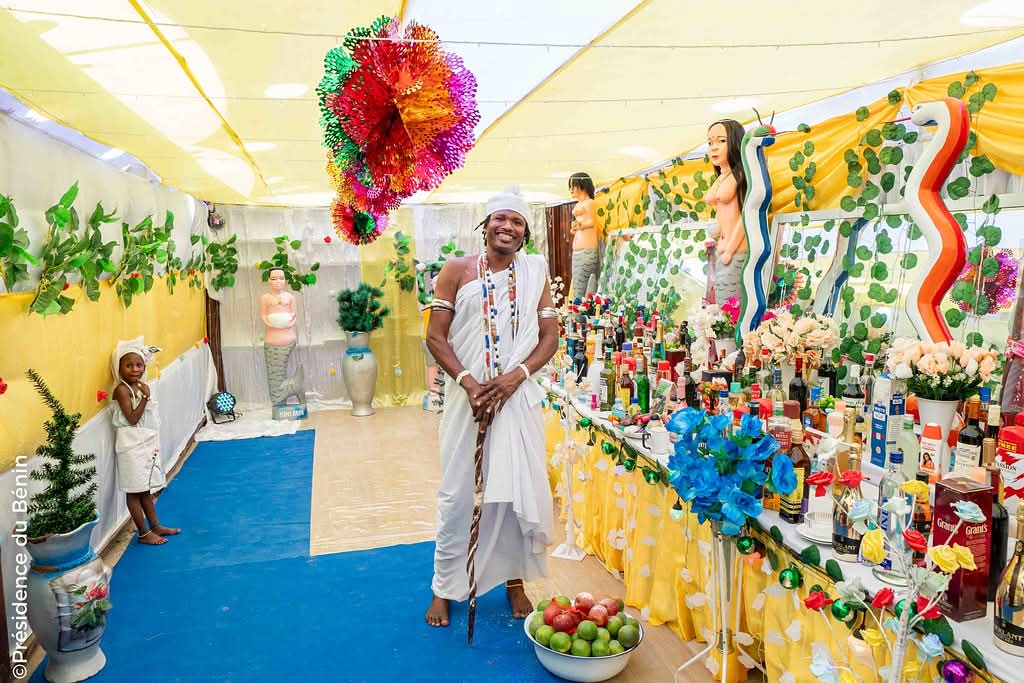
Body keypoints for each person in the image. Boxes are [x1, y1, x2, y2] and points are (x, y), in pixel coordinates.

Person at [424, 188, 559, 628]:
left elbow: (549, 339)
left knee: (514, 487)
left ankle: (514, 582)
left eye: (517, 222)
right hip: (469, 402)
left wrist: (515, 377)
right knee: (457, 492)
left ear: (524, 234)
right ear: (485, 227)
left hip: (515, 399)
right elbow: (436, 337)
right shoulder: (457, 270)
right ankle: (445, 587)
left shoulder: (535, 272)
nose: (508, 227)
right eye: (500, 219)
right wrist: (469, 383)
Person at [110, 339, 179, 545]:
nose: (135, 369)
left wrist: (143, 395)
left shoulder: (137, 387)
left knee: (145, 489)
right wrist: (145, 398)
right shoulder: (122, 390)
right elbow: (132, 418)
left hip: (143, 444)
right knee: (134, 491)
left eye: (139, 365)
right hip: (131, 447)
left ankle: (155, 525)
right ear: (118, 367)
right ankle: (143, 533)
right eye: (129, 365)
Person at [706, 119, 748, 304]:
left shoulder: (741, 175)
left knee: (732, 306)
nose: (714, 147)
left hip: (737, 251)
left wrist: (730, 249)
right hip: (722, 250)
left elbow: (744, 217)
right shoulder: (724, 175)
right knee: (724, 306)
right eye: (710, 143)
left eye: (721, 141)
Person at [260, 267, 306, 413]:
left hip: (288, 338)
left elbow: (293, 314)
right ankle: (280, 400)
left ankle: (289, 389)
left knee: (280, 370)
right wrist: (271, 323)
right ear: (268, 280)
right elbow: (263, 315)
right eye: (274, 278)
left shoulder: (289, 297)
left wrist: (289, 322)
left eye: (281, 278)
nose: (278, 281)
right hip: (272, 339)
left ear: (285, 280)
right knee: (275, 374)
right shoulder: (265, 298)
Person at [568, 172, 600, 298]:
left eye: (572, 186)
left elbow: (592, 221)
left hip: (588, 248)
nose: (570, 190)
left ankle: (583, 311)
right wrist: (575, 228)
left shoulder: (590, 203)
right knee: (578, 283)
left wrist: (580, 225)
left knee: (586, 281)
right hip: (578, 248)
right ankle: (578, 310)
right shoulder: (578, 204)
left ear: (581, 185)